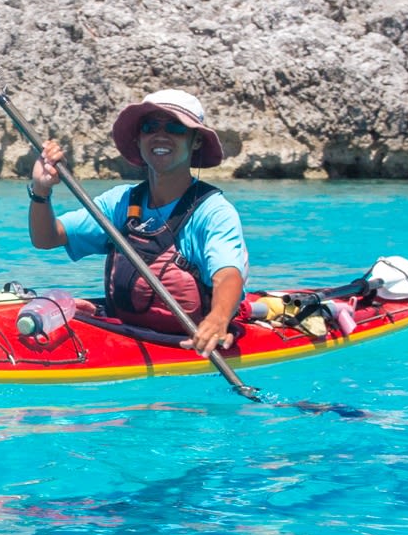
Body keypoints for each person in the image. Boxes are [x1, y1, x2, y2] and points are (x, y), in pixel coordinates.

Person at [25, 89, 249, 353]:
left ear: (196, 141)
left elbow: (228, 275)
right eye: (150, 126)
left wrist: (218, 318)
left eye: (176, 127)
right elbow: (47, 238)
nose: (160, 135)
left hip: (188, 342)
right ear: (140, 138)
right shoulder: (121, 202)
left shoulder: (213, 212)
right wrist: (41, 191)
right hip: (125, 332)